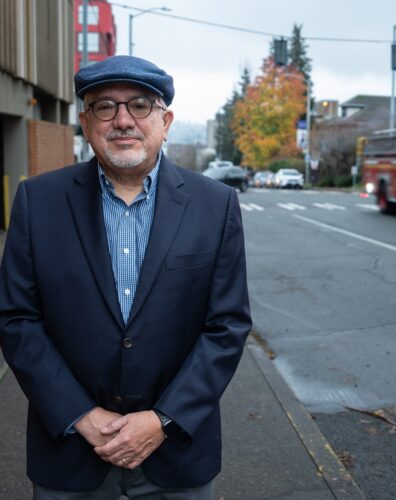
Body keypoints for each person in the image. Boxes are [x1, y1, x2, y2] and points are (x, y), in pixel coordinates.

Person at [0, 55, 252, 499]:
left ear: (165, 120)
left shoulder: (216, 205)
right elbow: (17, 320)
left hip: (177, 453)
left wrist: (163, 419)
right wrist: (80, 415)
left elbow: (227, 326)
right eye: (104, 107)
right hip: (70, 452)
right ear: (84, 121)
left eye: (139, 105)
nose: (122, 120)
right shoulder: (38, 202)